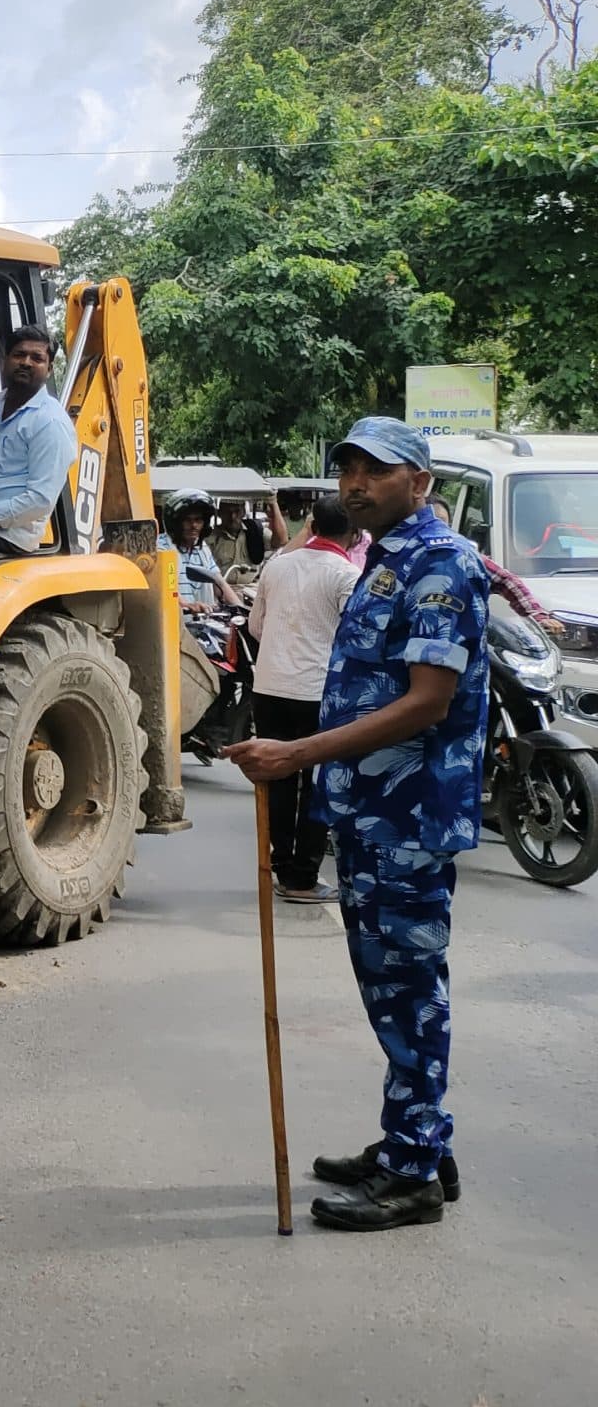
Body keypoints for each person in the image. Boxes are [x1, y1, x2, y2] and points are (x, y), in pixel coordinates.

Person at [230, 417, 489, 1232]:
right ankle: (418, 1141)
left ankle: (411, 1173)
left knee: (408, 993)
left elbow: (426, 702)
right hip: (373, 815)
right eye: (346, 469)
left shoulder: (441, 566)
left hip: (408, 819)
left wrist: (297, 753)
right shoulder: (384, 559)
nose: (354, 484)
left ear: (420, 481)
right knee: (391, 989)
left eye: (375, 470)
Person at [243, 495, 361, 901]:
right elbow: (357, 641)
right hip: (317, 692)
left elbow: (256, 627)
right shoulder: (347, 575)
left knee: (278, 778)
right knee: (317, 784)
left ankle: (280, 865)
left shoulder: (278, 566)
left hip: (270, 687)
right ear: (355, 532)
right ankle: (303, 876)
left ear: (311, 525)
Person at [0, 323, 77, 554]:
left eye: (37, 358)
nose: (26, 362)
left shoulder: (50, 422)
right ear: (5, 360)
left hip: (6, 536)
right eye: (19, 354)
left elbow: (40, 501)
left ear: (49, 369)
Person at [427, 494, 558, 634]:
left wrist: (538, 616)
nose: (437, 529)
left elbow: (506, 580)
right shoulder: (402, 553)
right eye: (430, 522)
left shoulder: (465, 557)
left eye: (442, 523)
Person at [160, 495, 242, 613]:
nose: (194, 525)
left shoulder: (202, 549)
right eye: (187, 520)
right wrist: (186, 605)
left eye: (198, 520)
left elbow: (219, 583)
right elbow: (167, 586)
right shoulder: (163, 548)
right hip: (172, 621)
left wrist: (240, 609)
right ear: (175, 522)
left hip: (200, 622)